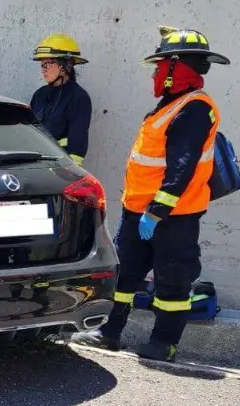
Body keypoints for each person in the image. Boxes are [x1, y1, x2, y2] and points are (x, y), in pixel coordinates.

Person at [73, 27, 228, 362]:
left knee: (172, 282)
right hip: (139, 212)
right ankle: (108, 332)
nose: (154, 75)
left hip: (172, 216)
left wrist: (158, 210)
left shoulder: (195, 108)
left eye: (159, 67)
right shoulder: (168, 106)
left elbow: (182, 166)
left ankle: (163, 343)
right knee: (124, 276)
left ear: (176, 68)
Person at [29, 33, 92, 164]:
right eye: (42, 65)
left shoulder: (79, 98)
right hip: (32, 165)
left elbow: (77, 150)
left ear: (65, 66)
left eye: (47, 64)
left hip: (58, 167)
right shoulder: (39, 95)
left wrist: (68, 172)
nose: (43, 70)